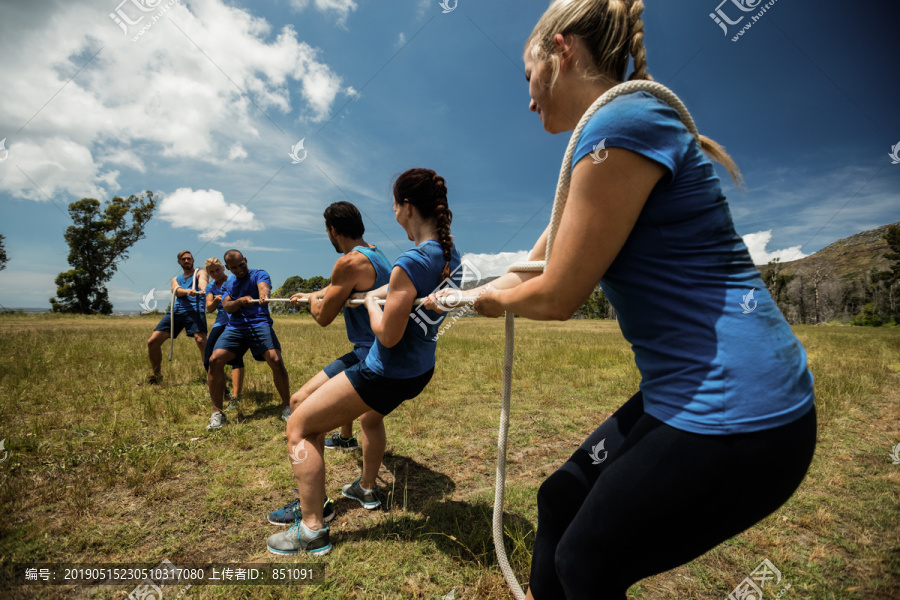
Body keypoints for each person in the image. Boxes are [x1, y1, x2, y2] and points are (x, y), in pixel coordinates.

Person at [446, 2, 817, 598]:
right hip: (682, 393)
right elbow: (526, 270)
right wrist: (451, 295)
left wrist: (493, 303)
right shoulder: (598, 143)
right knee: (558, 497)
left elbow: (558, 293)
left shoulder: (621, 124)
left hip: (745, 410)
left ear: (560, 51)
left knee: (588, 561)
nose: (529, 98)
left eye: (527, 77)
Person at [266, 168, 461, 556]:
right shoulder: (449, 256)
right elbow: (403, 288)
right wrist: (373, 292)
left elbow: (386, 334)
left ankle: (311, 528)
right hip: (419, 371)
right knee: (364, 417)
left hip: (385, 371)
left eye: (393, 205)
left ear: (405, 207)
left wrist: (372, 303)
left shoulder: (410, 259)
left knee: (300, 426)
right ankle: (357, 488)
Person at [266, 202, 392, 526]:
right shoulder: (377, 255)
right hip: (389, 355)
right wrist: (315, 290)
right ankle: (367, 488)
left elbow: (323, 317)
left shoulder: (348, 261)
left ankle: (315, 506)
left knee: (299, 403)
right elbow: (342, 286)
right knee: (371, 420)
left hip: (367, 354)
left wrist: (311, 301)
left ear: (333, 231)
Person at [205, 250, 291, 431]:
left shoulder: (259, 273)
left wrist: (263, 296)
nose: (239, 269)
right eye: (234, 267)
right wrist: (240, 302)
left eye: (241, 265)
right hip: (235, 327)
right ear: (228, 268)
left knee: (275, 360)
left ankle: (287, 406)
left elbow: (263, 288)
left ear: (245, 260)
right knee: (214, 360)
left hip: (260, 323)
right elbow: (227, 307)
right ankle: (217, 414)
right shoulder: (228, 283)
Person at [145, 250, 208, 385]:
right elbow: (176, 290)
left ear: (193, 260)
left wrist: (202, 289)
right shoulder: (176, 279)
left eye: (189, 259)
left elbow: (203, 280)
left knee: (201, 342)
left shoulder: (200, 272)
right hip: (176, 312)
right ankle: (157, 376)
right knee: (152, 342)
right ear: (179, 262)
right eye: (183, 259)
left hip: (195, 311)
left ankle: (212, 377)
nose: (187, 261)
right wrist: (187, 291)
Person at [203, 257, 245, 410]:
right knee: (208, 360)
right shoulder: (210, 287)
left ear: (223, 268)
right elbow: (209, 308)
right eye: (212, 272)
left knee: (236, 357)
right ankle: (221, 387)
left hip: (236, 321)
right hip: (221, 322)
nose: (216, 273)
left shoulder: (234, 278)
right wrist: (216, 300)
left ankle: (236, 396)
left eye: (218, 269)